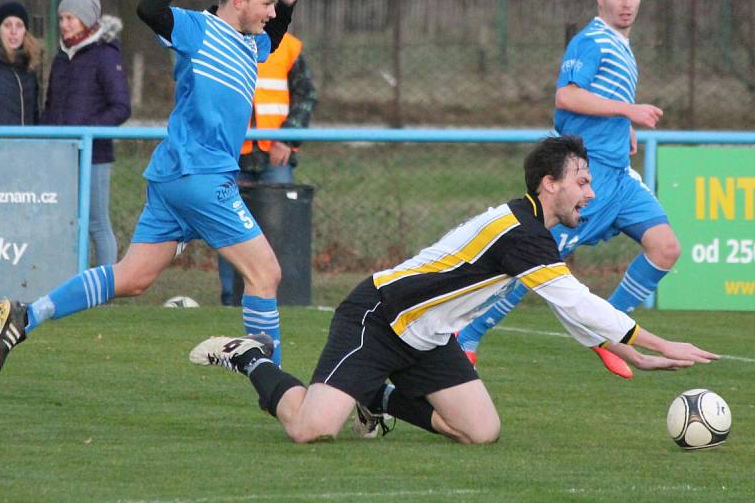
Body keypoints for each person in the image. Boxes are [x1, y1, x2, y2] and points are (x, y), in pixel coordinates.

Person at [188, 136, 718, 444]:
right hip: (379, 318)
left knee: (479, 432)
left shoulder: (533, 233)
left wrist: (630, 352)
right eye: (582, 180)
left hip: (428, 338)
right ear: (548, 184)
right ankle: (250, 359)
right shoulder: (522, 233)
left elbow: (570, 310)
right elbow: (576, 301)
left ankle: (375, 396)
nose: (592, 191)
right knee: (309, 430)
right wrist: (660, 344)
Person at [0, 0, 298, 374]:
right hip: (200, 176)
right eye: (266, 4)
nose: (271, 13)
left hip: (175, 178)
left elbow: (276, 35)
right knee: (266, 274)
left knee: (131, 278)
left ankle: (28, 315)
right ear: (240, 0)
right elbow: (148, 8)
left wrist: (287, 1)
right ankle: (279, 387)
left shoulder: (252, 43)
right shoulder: (199, 29)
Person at [457, 0, 675, 379]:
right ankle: (468, 334)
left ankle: (607, 329)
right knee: (535, 266)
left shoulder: (623, 47)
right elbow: (567, 97)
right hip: (585, 178)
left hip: (619, 177)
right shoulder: (591, 41)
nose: (626, 2)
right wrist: (627, 112)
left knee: (665, 247)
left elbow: (600, 104)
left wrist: (622, 123)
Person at [218, 31, 318, 305]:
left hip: (275, 157)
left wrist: (287, 138)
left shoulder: (288, 46)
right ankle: (231, 299)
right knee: (229, 231)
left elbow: (306, 94)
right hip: (230, 155)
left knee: (279, 229)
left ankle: (277, 299)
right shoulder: (222, 42)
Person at [40, 0, 132, 266]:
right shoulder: (61, 57)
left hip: (94, 156)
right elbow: (51, 104)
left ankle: (106, 290)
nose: (65, 24)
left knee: (96, 224)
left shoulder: (105, 56)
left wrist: (86, 133)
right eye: (62, 18)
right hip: (60, 155)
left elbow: (120, 107)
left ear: (86, 19)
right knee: (64, 222)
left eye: (70, 18)